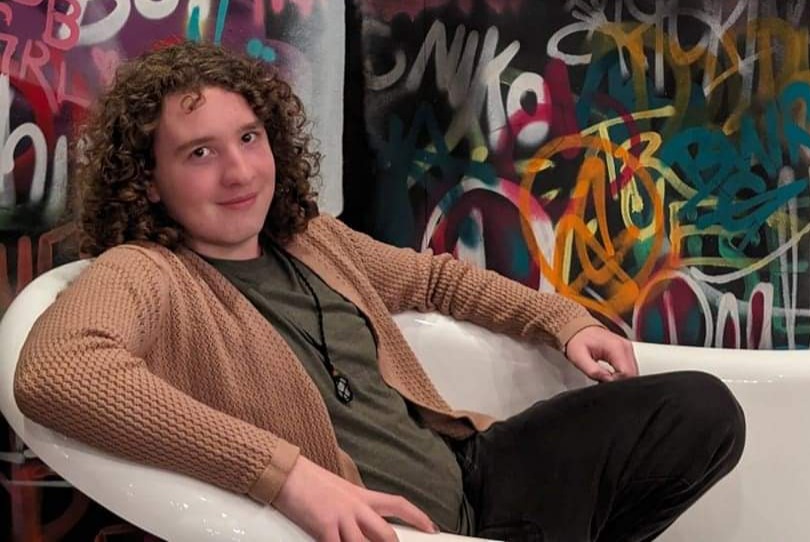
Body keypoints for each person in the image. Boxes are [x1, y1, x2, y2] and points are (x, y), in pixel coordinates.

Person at [14, 41, 745, 541]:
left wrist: (562, 320)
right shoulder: (147, 272)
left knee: (701, 411)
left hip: (475, 472)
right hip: (398, 529)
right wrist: (287, 478)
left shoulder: (308, 237)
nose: (239, 172)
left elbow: (433, 280)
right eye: (200, 152)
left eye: (249, 138)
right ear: (149, 180)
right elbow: (56, 372)